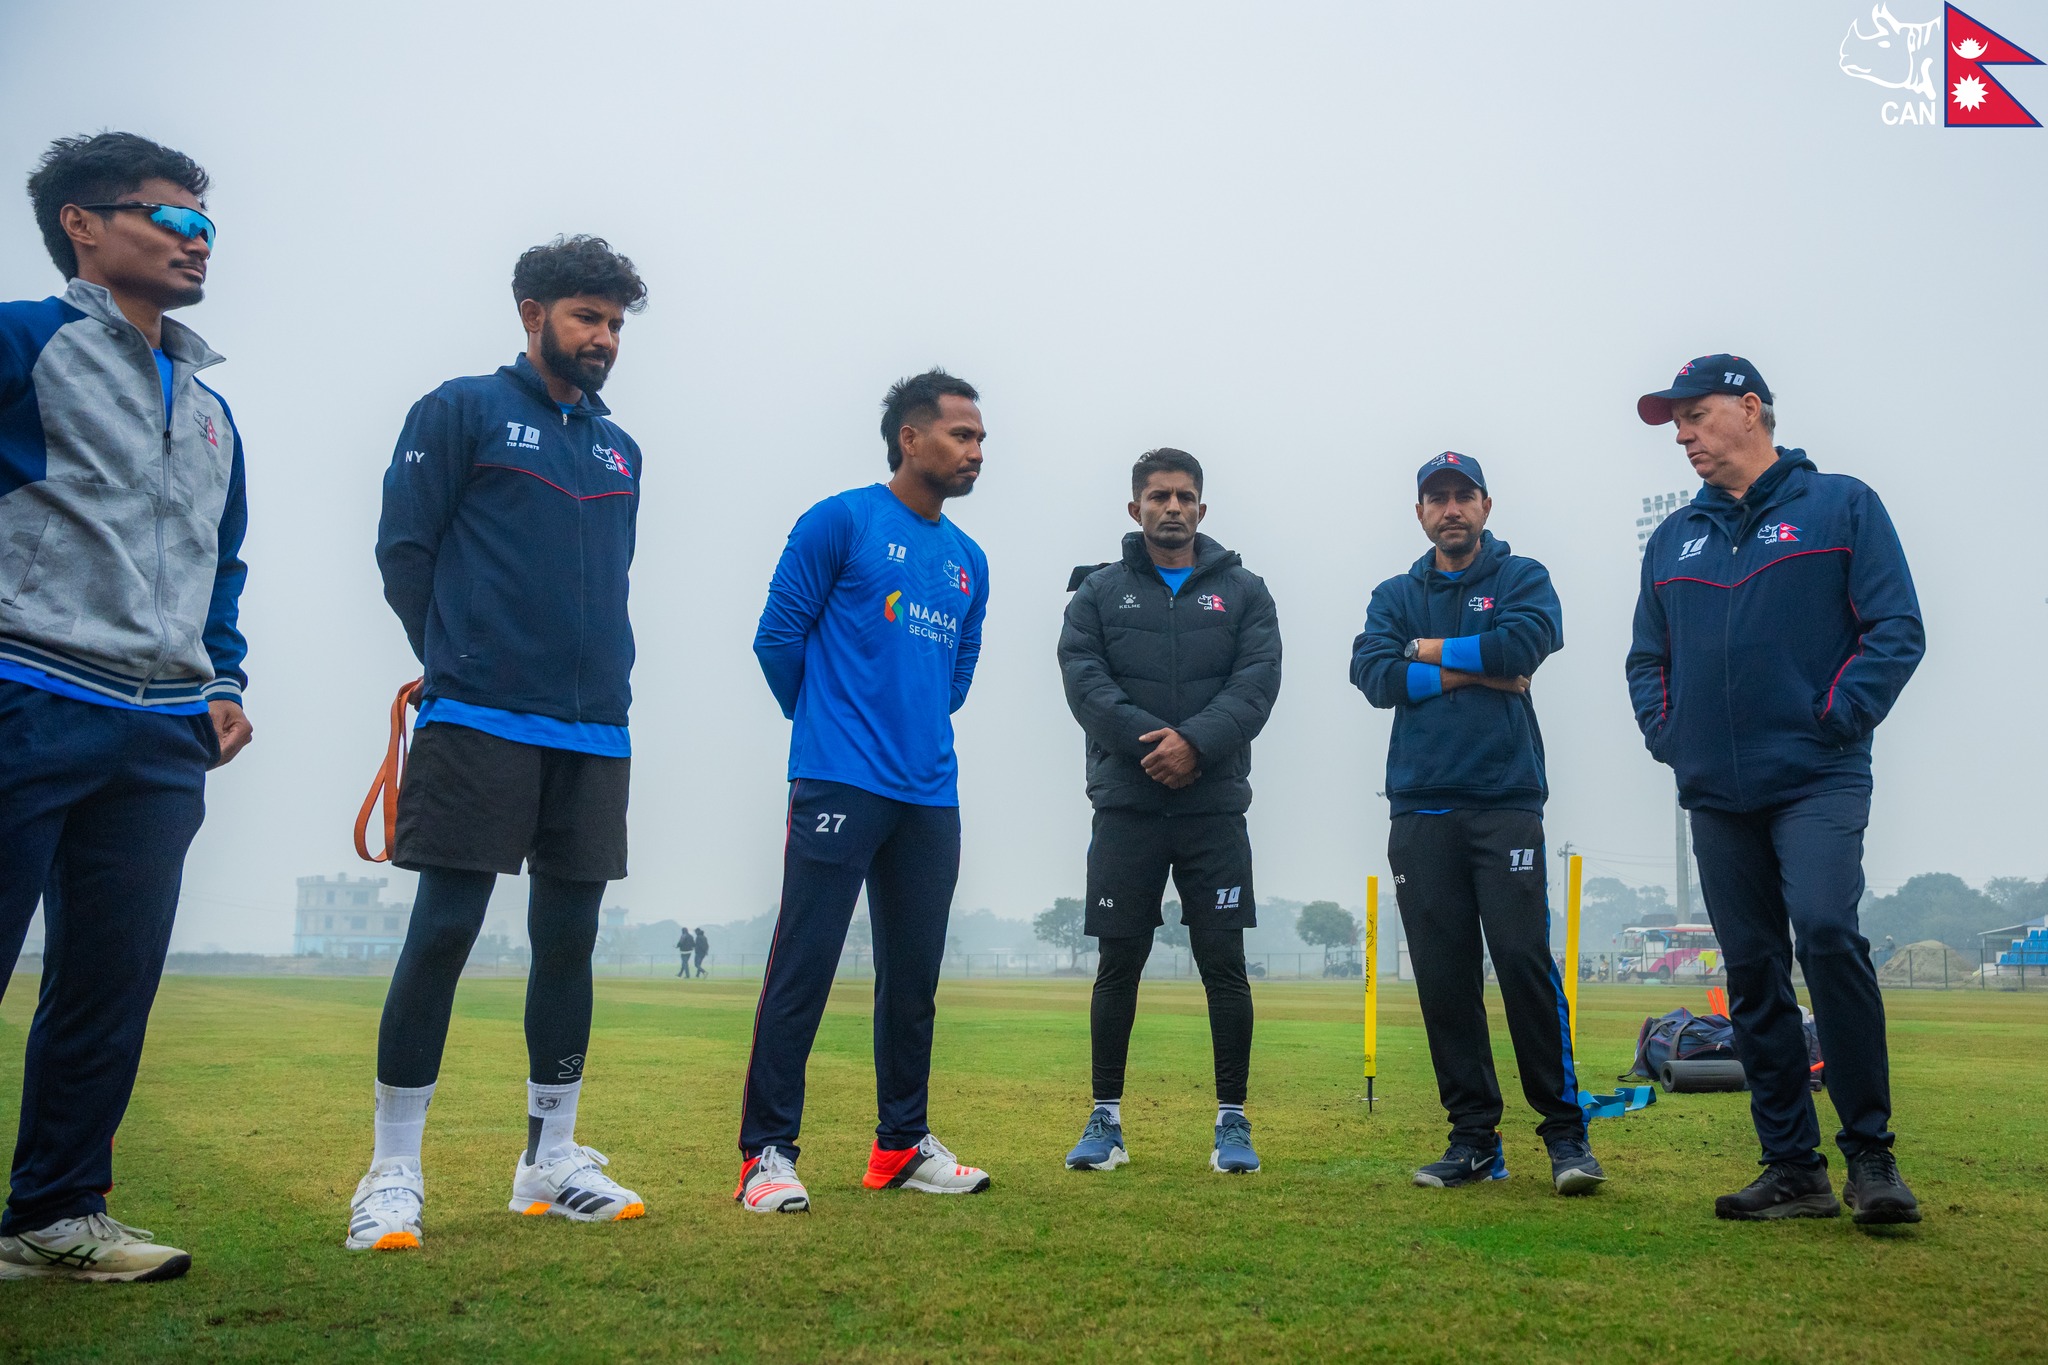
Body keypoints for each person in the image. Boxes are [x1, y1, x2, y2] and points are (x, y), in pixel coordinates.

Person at [345, 236, 652, 1252]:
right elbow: (404, 552)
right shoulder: (461, 410)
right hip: (478, 715)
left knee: (569, 941)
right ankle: (393, 1171)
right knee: (444, 930)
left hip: (595, 727)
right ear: (532, 314)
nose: (604, 338)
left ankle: (548, 1159)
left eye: (615, 323)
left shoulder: (621, 450)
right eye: (586, 317)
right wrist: (459, 659)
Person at [0, 132, 253, 1285]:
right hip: (26, 692)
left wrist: (223, 680)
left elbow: (219, 565)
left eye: (207, 224)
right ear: (83, 226)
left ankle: (56, 1216)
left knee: (108, 985)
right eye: (171, 217)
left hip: (158, 733)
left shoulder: (210, 408)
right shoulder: (24, 342)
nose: (198, 240)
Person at [1628, 356, 1924, 1226]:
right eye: (1675, 423)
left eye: (1694, 415)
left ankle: (1870, 1157)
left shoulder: (1841, 505)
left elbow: (1896, 629)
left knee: (1827, 933)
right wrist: (1672, 736)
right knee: (1753, 971)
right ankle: (1793, 1168)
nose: (1682, 435)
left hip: (1817, 775)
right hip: (1717, 790)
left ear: (1750, 408)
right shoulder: (1672, 538)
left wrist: (1835, 717)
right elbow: (1647, 657)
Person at [737, 369, 993, 1214]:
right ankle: (767, 1153)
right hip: (838, 777)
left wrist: (905, 725)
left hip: (930, 793)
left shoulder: (969, 561)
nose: (976, 452)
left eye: (981, 439)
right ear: (910, 439)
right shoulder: (840, 520)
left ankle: (901, 1145)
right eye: (961, 435)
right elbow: (777, 639)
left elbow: (956, 678)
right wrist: (828, 723)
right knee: (804, 964)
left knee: (913, 980)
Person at [1351, 452, 1604, 1196]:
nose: (1451, 508)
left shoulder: (1521, 577)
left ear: (1486, 505)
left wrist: (1424, 652)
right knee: (1443, 977)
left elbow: (1522, 646)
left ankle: (1566, 1136)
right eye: (1437, 498)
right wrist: (1472, 670)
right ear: (1420, 512)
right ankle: (1473, 1141)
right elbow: (1372, 675)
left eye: (1464, 495)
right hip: (1420, 806)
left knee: (1523, 963)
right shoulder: (1396, 593)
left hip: (1505, 802)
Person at [1056, 449, 1281, 1175]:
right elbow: (1085, 682)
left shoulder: (1246, 592)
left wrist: (1197, 746)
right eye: (1159, 496)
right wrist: (1158, 746)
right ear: (1136, 509)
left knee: (1225, 965)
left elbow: (1256, 685)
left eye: (1185, 496)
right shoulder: (1097, 593)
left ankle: (1232, 1122)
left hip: (1214, 807)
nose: (1173, 507)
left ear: (1202, 509)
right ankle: (1105, 1120)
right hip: (1128, 806)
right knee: (1118, 963)